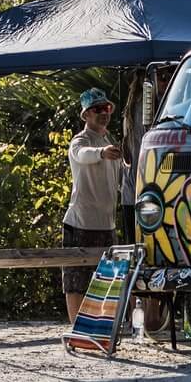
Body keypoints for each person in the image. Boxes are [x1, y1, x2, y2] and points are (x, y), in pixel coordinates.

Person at [61, 87, 129, 325]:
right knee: (75, 281)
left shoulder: (110, 141)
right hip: (80, 223)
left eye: (107, 108)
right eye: (98, 109)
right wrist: (101, 152)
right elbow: (82, 154)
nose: (104, 112)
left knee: (108, 280)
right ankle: (76, 328)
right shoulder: (81, 140)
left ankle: (99, 327)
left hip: (107, 224)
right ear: (86, 115)